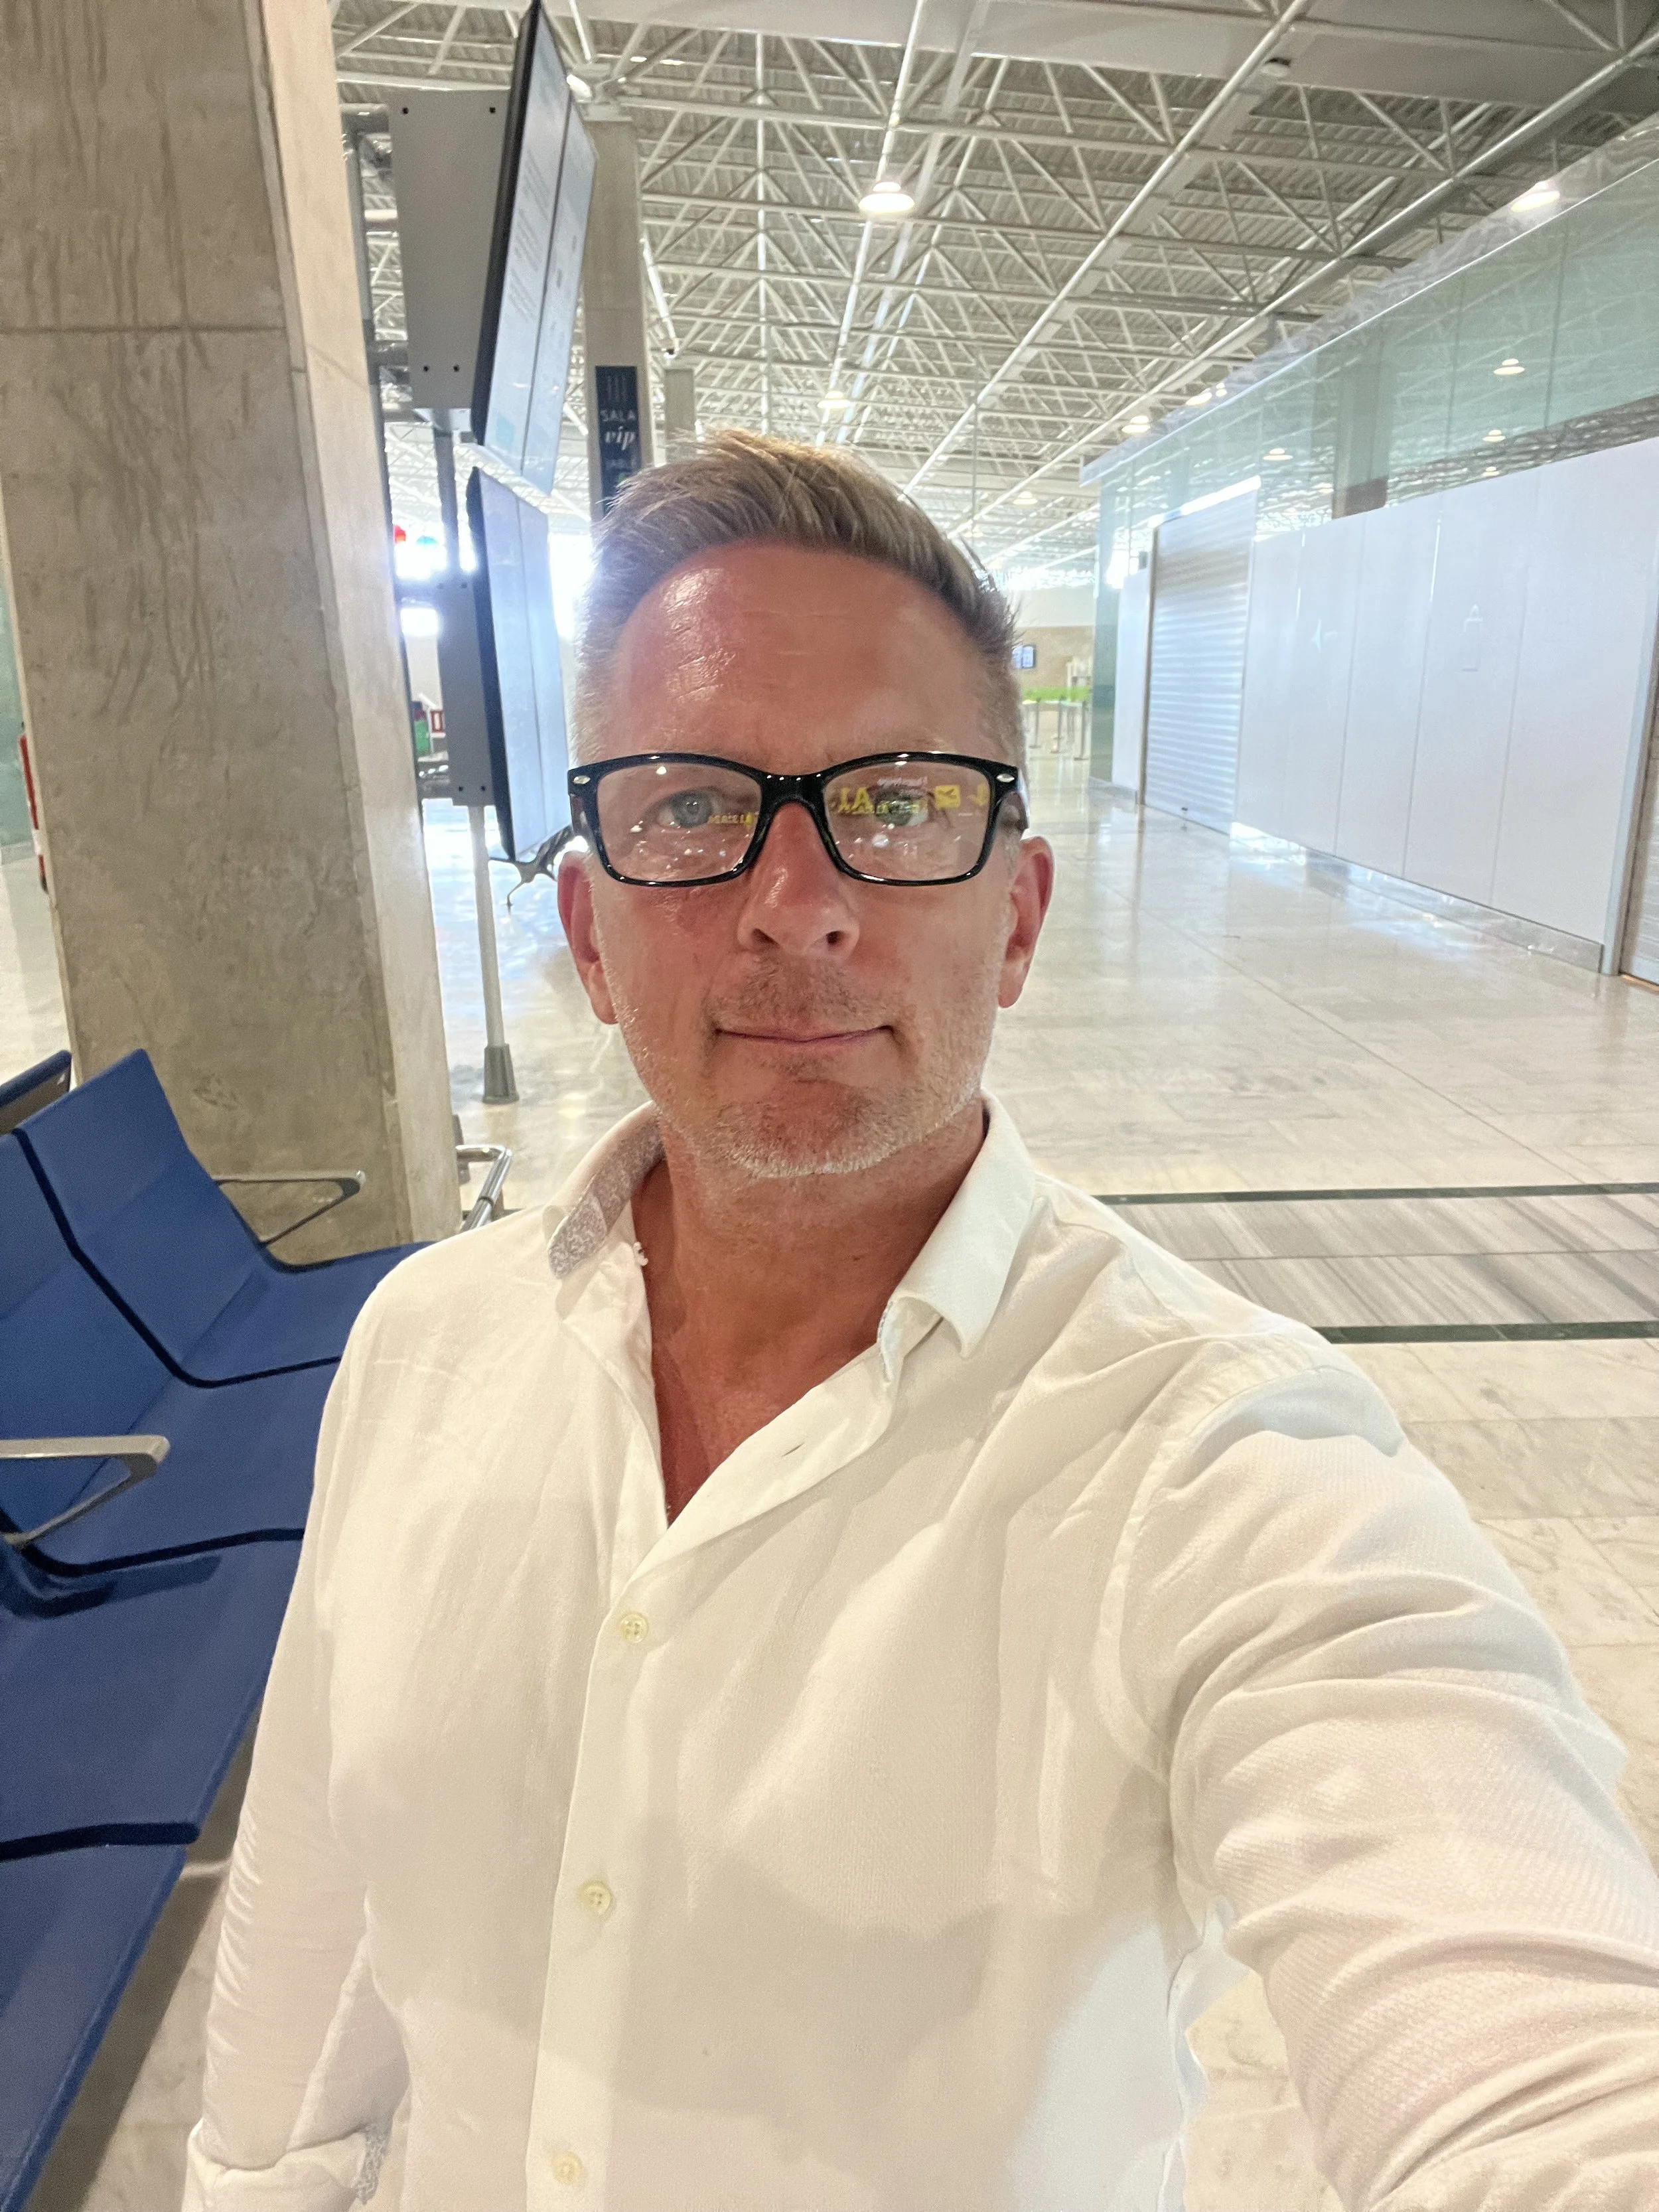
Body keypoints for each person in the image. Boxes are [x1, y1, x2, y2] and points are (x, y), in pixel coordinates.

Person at [186, 433, 1659, 2212]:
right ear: (587, 923)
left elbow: (1520, 2021)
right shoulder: (423, 1344)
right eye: (689, 804)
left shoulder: (1214, 1461)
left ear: (1015, 915)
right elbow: (311, 1884)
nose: (794, 903)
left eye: (894, 802)